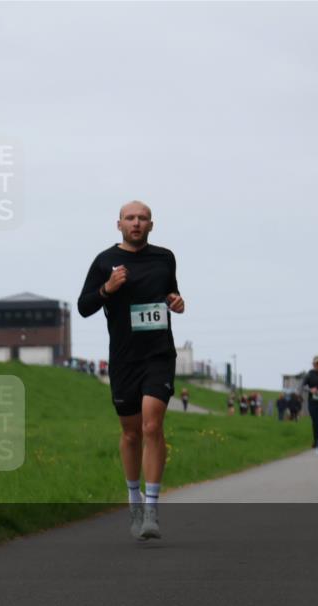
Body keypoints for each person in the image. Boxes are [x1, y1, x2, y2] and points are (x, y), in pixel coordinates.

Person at [78, 200, 184, 541]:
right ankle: (133, 497)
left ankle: (152, 509)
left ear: (151, 225)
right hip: (124, 358)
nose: (136, 223)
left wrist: (176, 301)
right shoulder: (105, 261)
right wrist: (107, 289)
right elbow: (83, 307)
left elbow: (171, 293)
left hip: (158, 354)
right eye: (130, 218)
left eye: (142, 218)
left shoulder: (164, 258)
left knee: (153, 423)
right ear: (119, 224)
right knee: (131, 433)